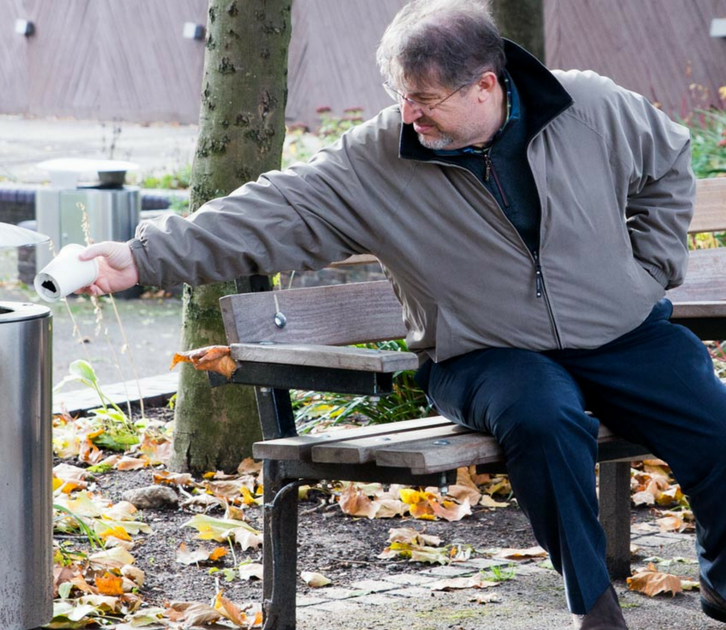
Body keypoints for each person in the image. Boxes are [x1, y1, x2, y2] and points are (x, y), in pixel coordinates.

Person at [76, 0, 726, 628]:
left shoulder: (588, 105)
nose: (408, 114)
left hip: (618, 332)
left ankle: (723, 582)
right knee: (542, 417)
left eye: (425, 99)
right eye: (400, 95)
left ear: (486, 86)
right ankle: (595, 605)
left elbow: (668, 158)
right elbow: (273, 209)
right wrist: (140, 257)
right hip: (485, 354)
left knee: (714, 422)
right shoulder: (378, 158)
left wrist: (651, 267)